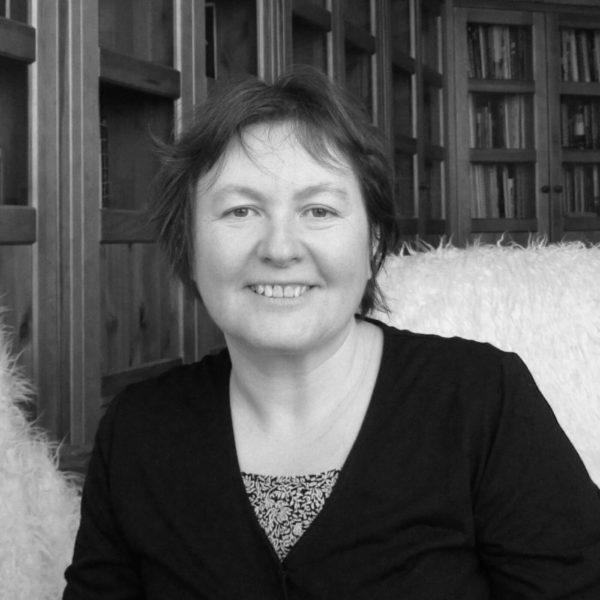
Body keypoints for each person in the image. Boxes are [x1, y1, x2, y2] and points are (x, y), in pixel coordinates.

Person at [63, 67, 600, 599]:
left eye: (318, 210)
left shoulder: (481, 396)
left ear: (373, 244)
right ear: (189, 246)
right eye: (241, 210)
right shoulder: (137, 431)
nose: (279, 248)